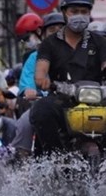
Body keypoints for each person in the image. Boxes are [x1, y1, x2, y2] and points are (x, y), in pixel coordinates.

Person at [30, 0, 106, 154]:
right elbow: (41, 70)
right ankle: (55, 158)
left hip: (95, 99)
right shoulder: (49, 43)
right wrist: (42, 79)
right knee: (41, 111)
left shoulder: (99, 42)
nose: (79, 15)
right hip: (61, 98)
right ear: (65, 13)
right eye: (74, 11)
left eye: (84, 11)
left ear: (89, 13)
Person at [10, 12, 66, 157]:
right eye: (52, 30)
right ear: (43, 34)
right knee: (24, 123)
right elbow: (27, 81)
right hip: (44, 104)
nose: (57, 34)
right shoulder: (34, 57)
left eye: (61, 29)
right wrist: (29, 90)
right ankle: (23, 162)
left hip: (74, 104)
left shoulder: (78, 53)